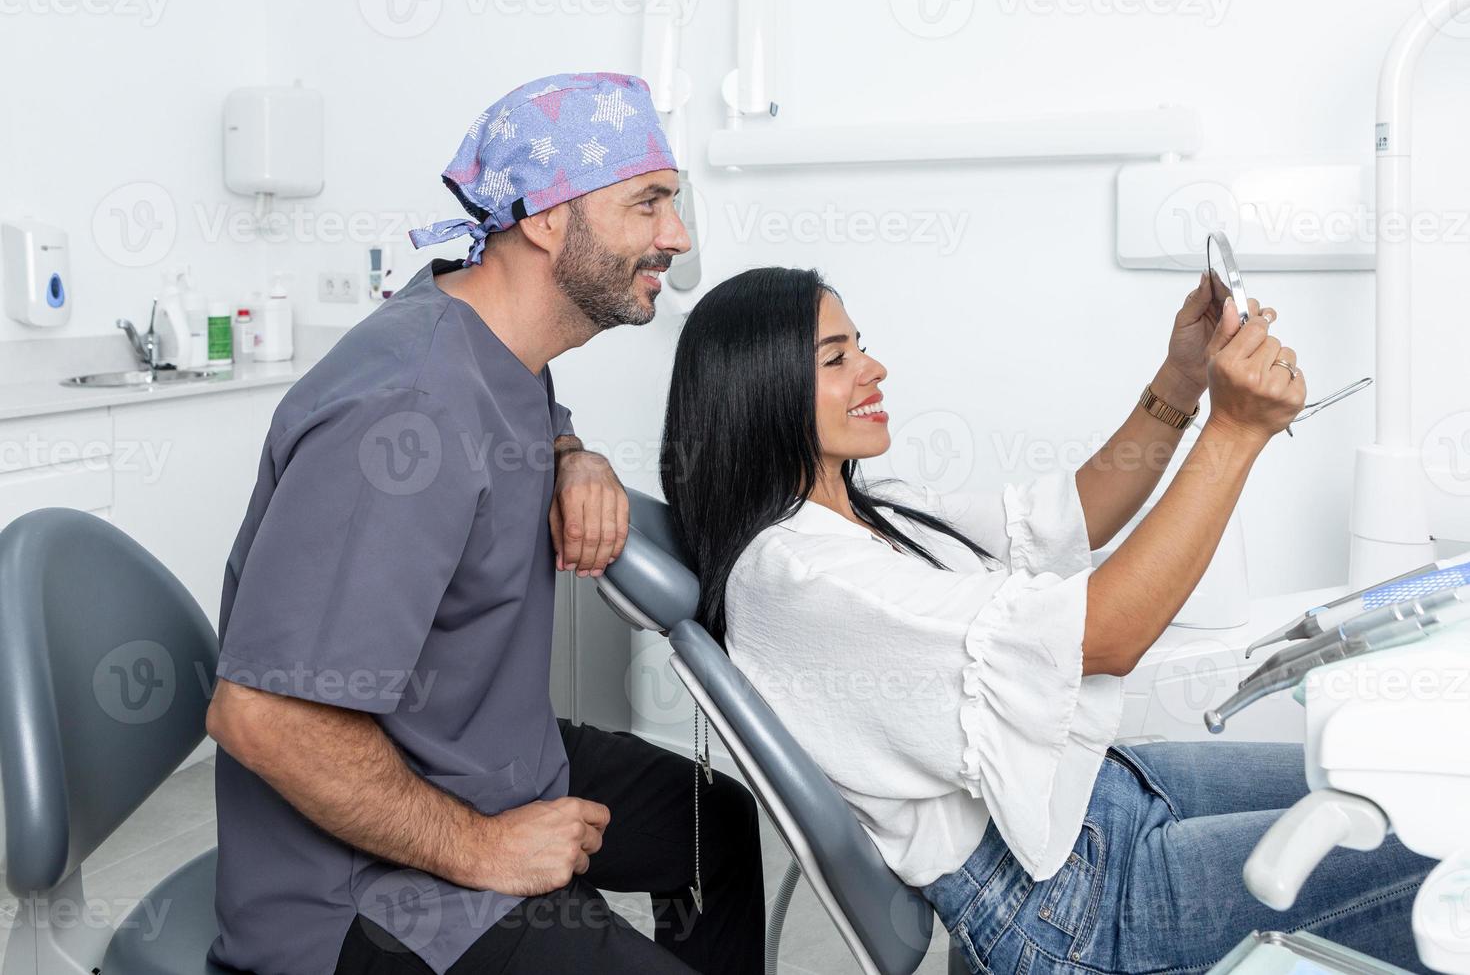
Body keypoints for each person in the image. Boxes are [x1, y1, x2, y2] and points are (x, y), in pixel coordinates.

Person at [658, 266, 1436, 974]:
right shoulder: (801, 580)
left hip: (1101, 795)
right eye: (837, 359)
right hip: (1071, 908)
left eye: (862, 346)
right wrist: (1237, 432)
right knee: (1436, 849)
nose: (874, 368)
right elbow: (1106, 637)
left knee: (1401, 789)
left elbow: (1065, 517)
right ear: (759, 390)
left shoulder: (864, 511)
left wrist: (1184, 377)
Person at [205, 73, 763, 975]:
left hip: (481, 753)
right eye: (648, 203)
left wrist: (574, 452)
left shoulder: (499, 341)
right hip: (357, 895)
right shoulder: (401, 415)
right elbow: (263, 716)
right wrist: (487, 851)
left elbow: (518, 415)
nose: (678, 236)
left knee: (717, 825)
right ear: (545, 219)